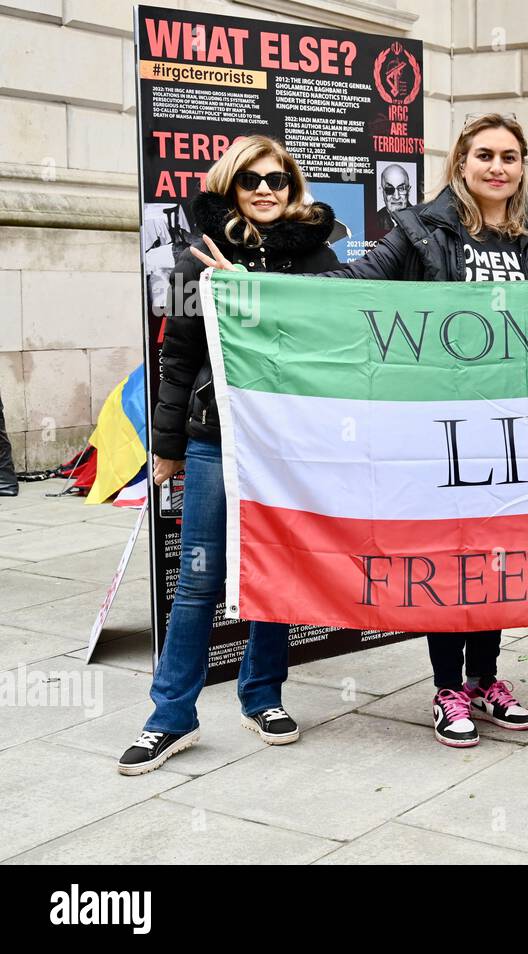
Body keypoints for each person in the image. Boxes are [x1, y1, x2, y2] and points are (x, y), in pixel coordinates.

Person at [194, 113, 528, 749]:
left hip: (516, 429)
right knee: (455, 555)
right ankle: (448, 688)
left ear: (523, 166)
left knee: (502, 554)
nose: (498, 167)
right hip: (443, 428)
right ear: (461, 165)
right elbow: (351, 287)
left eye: (510, 156)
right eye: (484, 156)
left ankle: (486, 681)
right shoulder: (421, 232)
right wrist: (260, 288)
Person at [118, 136, 340, 775]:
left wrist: (255, 298)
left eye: (277, 178)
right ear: (231, 187)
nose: (266, 189)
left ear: (292, 186)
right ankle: (169, 717)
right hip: (215, 436)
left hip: (291, 442)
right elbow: (178, 358)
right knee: (197, 579)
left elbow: (328, 348)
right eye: (251, 180)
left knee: (277, 572)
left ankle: (262, 694)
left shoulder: (320, 259)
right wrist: (166, 446)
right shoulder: (197, 260)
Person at [376, 163, 411, 233]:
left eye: (401, 188)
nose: (396, 197)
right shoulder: (374, 221)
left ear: (408, 190)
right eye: (389, 189)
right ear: (381, 191)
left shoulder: (420, 218)